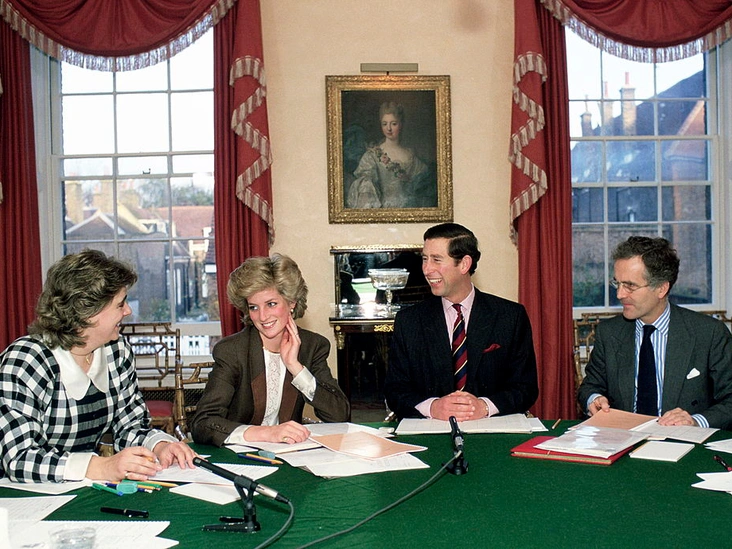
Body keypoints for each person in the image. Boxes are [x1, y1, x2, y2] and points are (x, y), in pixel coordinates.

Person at [0, 250, 196, 483]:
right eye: (120, 304)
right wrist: (99, 467)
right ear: (88, 312)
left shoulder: (117, 351)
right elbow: (18, 459)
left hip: (80, 489)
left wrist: (159, 444)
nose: (128, 311)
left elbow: (131, 427)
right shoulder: (26, 360)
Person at [191, 254, 350, 447]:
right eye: (253, 307)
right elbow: (202, 423)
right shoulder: (232, 351)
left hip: (289, 454)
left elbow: (340, 415)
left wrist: (296, 367)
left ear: (291, 302)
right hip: (239, 453)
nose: (262, 316)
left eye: (271, 304)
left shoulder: (312, 346)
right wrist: (266, 433)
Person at [384, 223, 539, 421]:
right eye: (424, 259)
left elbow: (525, 388)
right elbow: (395, 391)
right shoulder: (409, 321)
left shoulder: (510, 316)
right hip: (431, 429)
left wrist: (484, 406)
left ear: (464, 264)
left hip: (492, 428)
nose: (426, 269)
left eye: (436, 260)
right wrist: (433, 407)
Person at [577, 236, 732, 429]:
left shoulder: (709, 334)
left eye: (630, 286)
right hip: (623, 439)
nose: (620, 294)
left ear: (661, 288)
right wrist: (594, 398)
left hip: (682, 441)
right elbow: (590, 386)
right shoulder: (609, 333)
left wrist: (695, 421)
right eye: (617, 283)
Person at [346, 101, 434, 209]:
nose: (389, 128)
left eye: (393, 124)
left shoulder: (411, 156)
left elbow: (422, 190)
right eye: (384, 124)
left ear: (401, 124)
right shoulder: (372, 156)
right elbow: (366, 194)